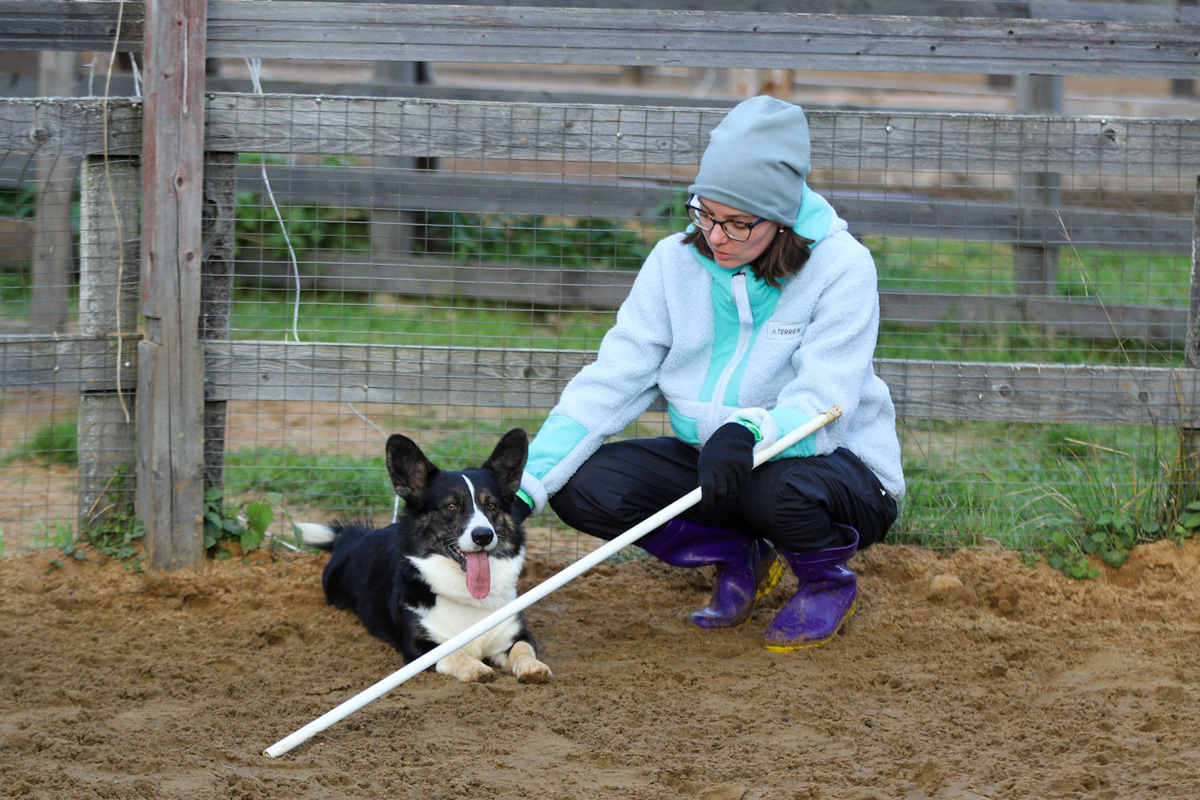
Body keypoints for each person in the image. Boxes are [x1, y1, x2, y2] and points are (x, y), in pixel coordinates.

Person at [512, 96, 904, 651]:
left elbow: (826, 401)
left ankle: (826, 580)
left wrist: (746, 431)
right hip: (717, 461)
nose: (716, 237)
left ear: (782, 219)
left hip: (836, 469)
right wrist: (527, 484)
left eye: (739, 224)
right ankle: (739, 555)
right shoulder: (673, 264)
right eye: (704, 213)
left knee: (777, 485)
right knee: (583, 486)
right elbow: (612, 379)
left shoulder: (842, 268)